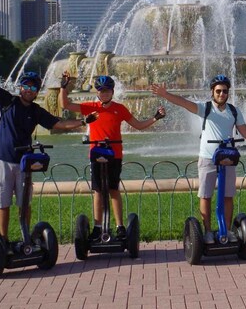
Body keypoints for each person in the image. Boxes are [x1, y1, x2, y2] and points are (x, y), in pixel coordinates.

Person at [0, 39, 93, 246]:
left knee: (25, 202)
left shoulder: (36, 111)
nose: (29, 90)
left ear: (37, 91)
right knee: (3, 202)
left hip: (24, 161)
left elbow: (58, 123)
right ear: (21, 87)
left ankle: (25, 237)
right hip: (3, 159)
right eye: (26, 86)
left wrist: (83, 121)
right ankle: (2, 241)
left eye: (33, 87)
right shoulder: (8, 101)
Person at [150, 75, 246, 244]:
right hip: (207, 158)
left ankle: (225, 230)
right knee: (205, 195)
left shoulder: (234, 111)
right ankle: (208, 231)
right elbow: (183, 102)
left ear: (228, 93)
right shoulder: (205, 108)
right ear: (212, 92)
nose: (221, 94)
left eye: (224, 91)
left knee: (227, 196)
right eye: (218, 91)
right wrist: (165, 94)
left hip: (227, 158)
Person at [60, 72, 166, 240]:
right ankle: (97, 226)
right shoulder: (91, 107)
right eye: (101, 91)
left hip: (114, 154)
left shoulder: (120, 109)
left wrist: (155, 118)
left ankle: (120, 226)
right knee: (98, 191)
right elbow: (65, 104)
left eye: (108, 91)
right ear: (97, 93)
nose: (105, 94)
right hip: (96, 154)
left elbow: (138, 125)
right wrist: (63, 87)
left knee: (113, 189)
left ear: (112, 91)